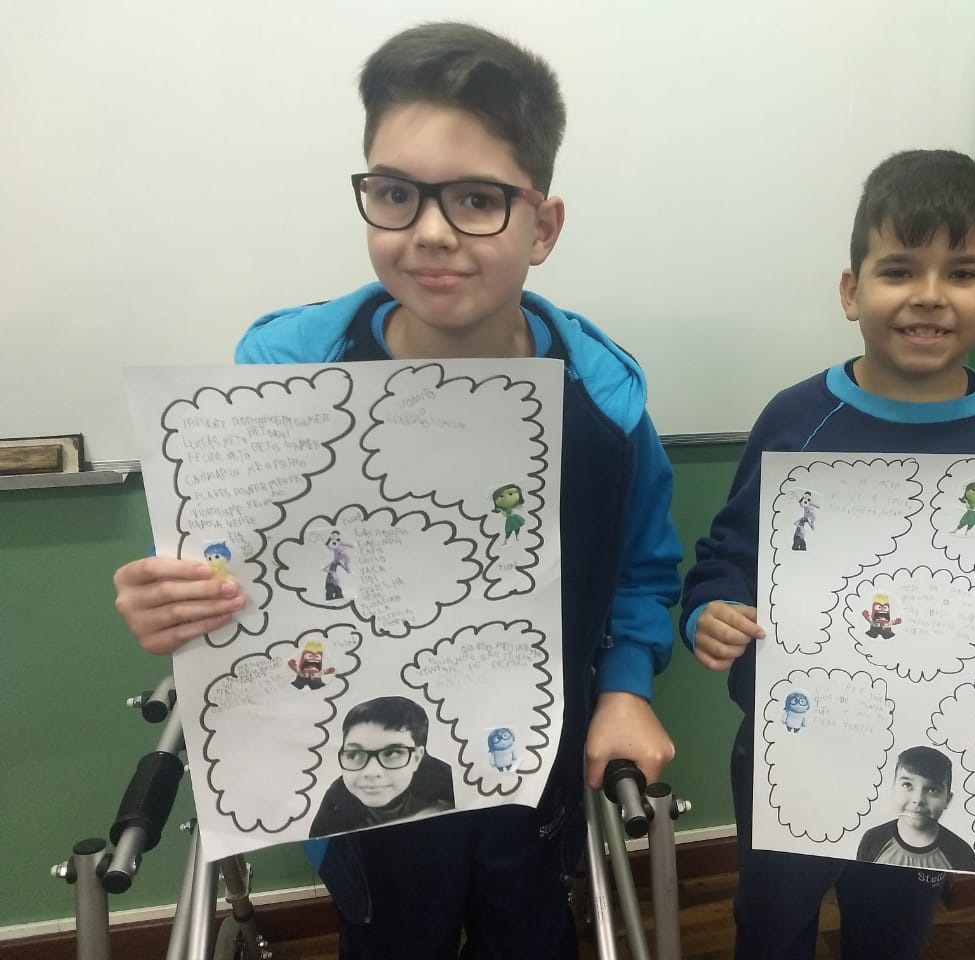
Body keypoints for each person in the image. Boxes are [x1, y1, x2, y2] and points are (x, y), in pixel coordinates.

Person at [111, 21, 682, 958]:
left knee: (531, 933)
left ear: (542, 226)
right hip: (364, 790)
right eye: (396, 193)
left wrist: (624, 688)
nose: (430, 232)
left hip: (536, 772)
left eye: (477, 199)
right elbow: (225, 566)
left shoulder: (603, 405)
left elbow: (642, 573)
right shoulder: (286, 380)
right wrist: (173, 597)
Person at [679, 149, 975, 960]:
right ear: (851, 289)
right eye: (899, 270)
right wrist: (707, 612)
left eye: (962, 273)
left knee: (894, 929)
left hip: (931, 760)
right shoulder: (796, 420)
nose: (929, 295)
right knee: (773, 920)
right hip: (794, 747)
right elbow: (728, 553)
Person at [310, 696, 455, 838]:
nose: (371, 772)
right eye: (354, 754)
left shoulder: (448, 785)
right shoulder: (337, 800)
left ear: (417, 758)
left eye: (392, 753)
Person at [855, 746, 975, 872]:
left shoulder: (961, 853)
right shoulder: (873, 840)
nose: (918, 799)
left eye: (933, 789)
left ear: (947, 799)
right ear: (893, 789)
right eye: (907, 785)